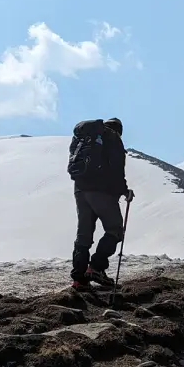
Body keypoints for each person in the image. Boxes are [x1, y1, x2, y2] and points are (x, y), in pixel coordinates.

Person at [68, 118, 134, 291]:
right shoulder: (112, 138)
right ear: (119, 130)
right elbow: (116, 169)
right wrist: (124, 190)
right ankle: (96, 268)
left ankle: (79, 279)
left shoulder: (85, 139)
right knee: (115, 229)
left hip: (80, 190)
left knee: (84, 235)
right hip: (102, 191)